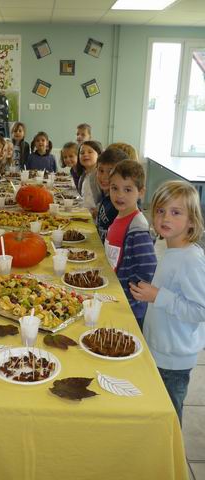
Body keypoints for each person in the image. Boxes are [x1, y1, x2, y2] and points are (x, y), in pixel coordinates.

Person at [130, 181, 205, 424]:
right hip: (161, 346)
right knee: (156, 409)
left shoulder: (190, 259)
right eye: (161, 210)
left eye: (175, 212)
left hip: (173, 357)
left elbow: (199, 309)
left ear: (192, 220)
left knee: (168, 417)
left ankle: (169, 457)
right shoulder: (169, 248)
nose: (165, 217)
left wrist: (157, 296)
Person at [105, 160, 157, 329]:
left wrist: (132, 290)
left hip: (129, 306)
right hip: (114, 294)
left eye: (127, 189)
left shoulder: (137, 228)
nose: (119, 195)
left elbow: (148, 265)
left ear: (140, 192)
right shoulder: (119, 216)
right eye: (115, 188)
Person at [95, 148, 129, 243]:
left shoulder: (121, 204)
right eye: (100, 170)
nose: (104, 177)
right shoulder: (107, 197)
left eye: (110, 172)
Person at [76, 140, 103, 209]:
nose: (85, 154)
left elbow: (106, 196)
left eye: (90, 152)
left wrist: (98, 208)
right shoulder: (84, 174)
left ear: (99, 155)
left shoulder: (100, 175)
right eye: (82, 153)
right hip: (84, 212)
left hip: (95, 215)